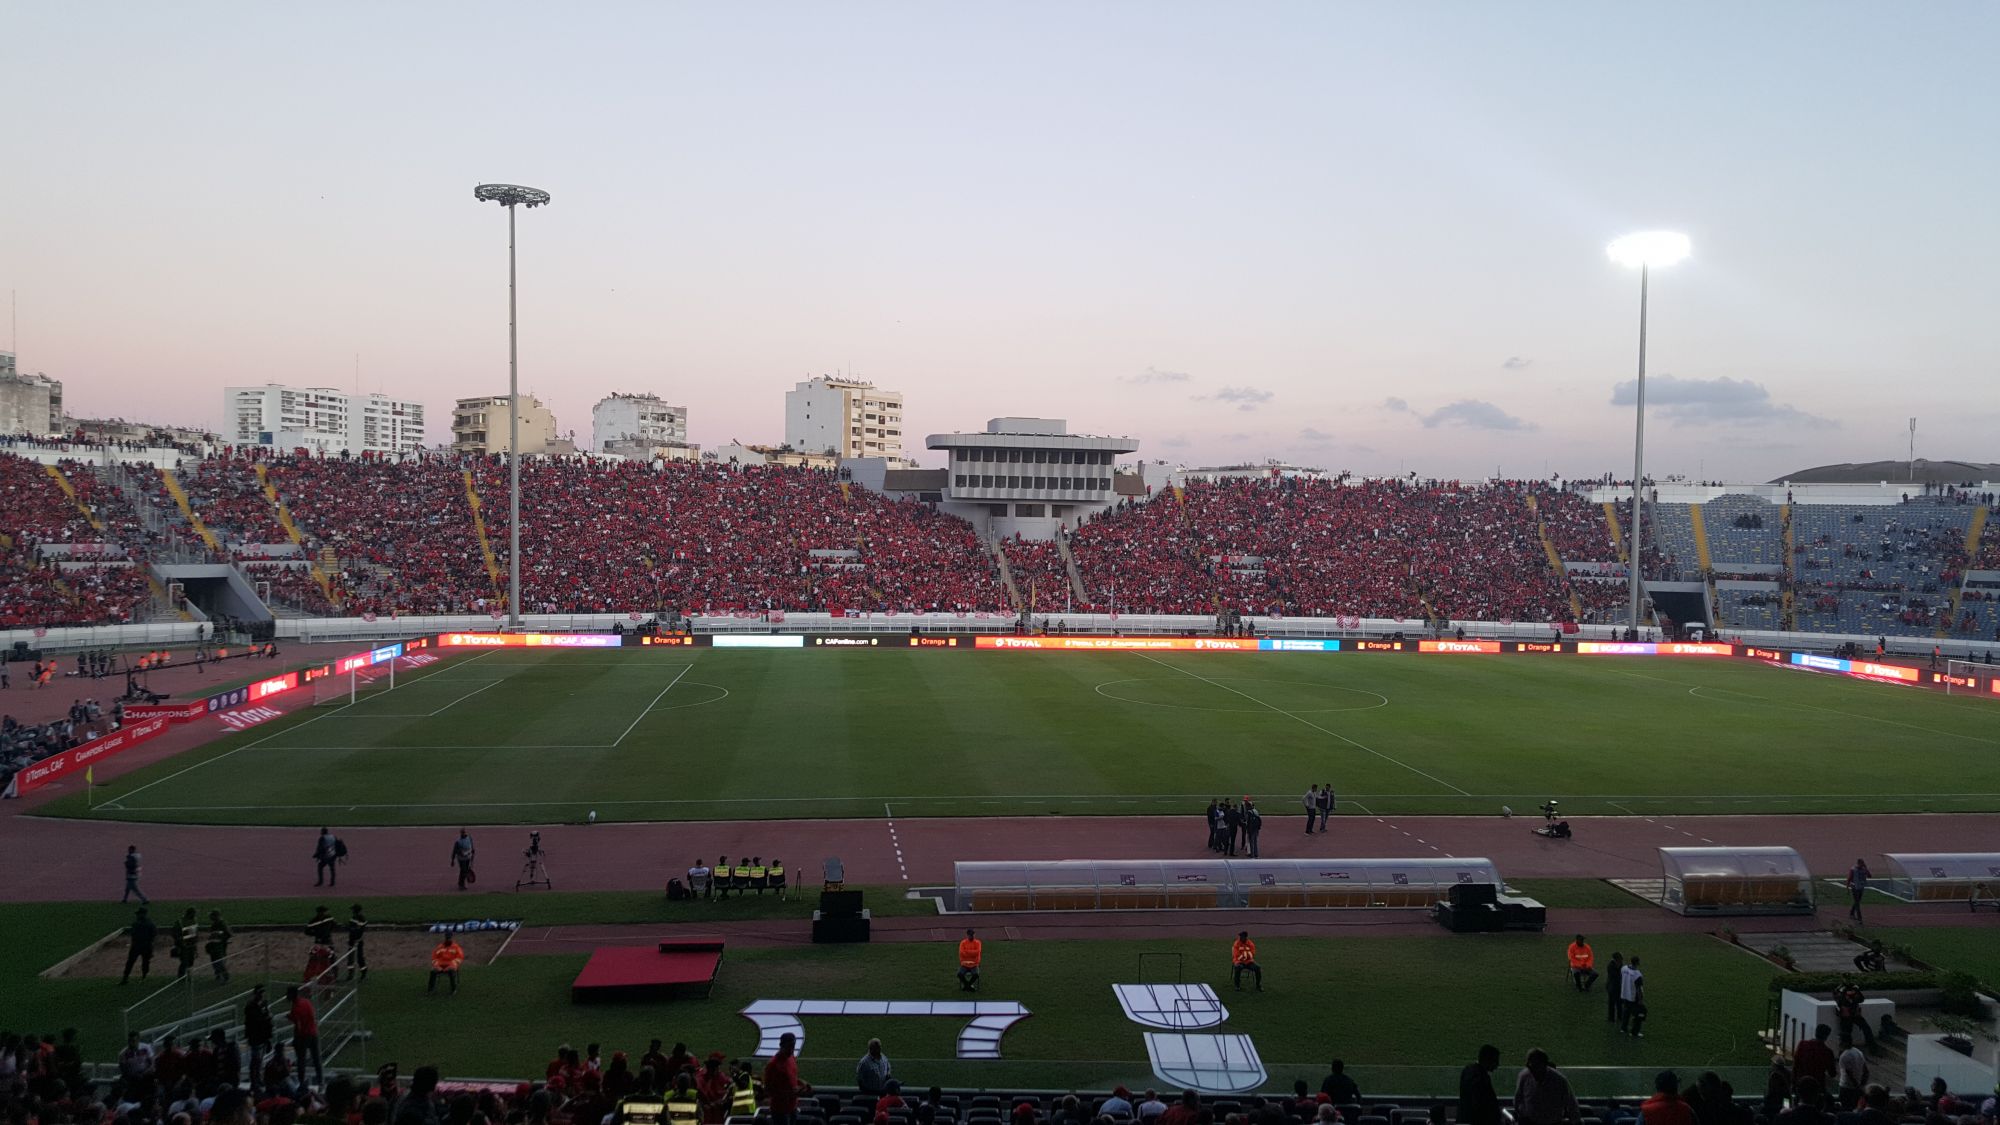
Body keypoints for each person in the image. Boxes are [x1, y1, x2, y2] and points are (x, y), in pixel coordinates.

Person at [1513, 1049, 1581, 1125]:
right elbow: (1518, 1099)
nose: (1531, 1071)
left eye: (1534, 1066)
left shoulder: (1559, 1080)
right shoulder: (1524, 1076)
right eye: (1529, 1067)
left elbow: (1571, 1104)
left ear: (1544, 1064)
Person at [762, 1032, 809, 1125]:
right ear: (781, 1045)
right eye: (789, 1046)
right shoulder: (773, 1065)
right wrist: (788, 1093)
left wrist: (802, 1083)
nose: (792, 1050)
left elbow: (791, 1076)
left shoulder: (791, 1058)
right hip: (780, 1110)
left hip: (792, 1107)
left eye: (793, 1046)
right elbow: (767, 1090)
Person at [286, 984, 322, 1088]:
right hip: (313, 1033)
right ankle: (320, 1081)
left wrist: (290, 1018)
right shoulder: (306, 1002)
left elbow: (298, 1025)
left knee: (301, 1061)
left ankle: (301, 1082)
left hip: (303, 1036)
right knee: (316, 1059)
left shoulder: (296, 1007)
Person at [1458, 1045, 1503, 1125]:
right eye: (1495, 1061)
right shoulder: (1481, 1076)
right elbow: (1481, 1105)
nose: (1497, 1065)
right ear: (1487, 1060)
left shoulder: (1468, 1070)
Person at [1790, 1025, 1837, 1098]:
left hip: (1801, 1085)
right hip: (1817, 1089)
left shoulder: (1802, 1044)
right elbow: (1832, 1073)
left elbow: (1795, 1065)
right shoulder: (1828, 1052)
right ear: (1826, 1036)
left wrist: (1793, 1083)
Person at [244, 985, 274, 1093]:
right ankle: (254, 1081)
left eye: (262, 992)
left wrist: (268, 1037)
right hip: (255, 1036)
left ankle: (258, 1079)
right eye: (259, 993)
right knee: (255, 1060)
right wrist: (266, 1017)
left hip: (263, 1036)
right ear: (255, 993)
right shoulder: (251, 1006)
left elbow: (268, 1020)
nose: (261, 995)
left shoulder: (264, 1004)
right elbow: (257, 1020)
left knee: (260, 1060)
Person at [1833, 983, 1876, 1051]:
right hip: (1845, 1015)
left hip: (1855, 1014)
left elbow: (1861, 999)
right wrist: (1848, 997)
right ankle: (1845, 1050)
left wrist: (1853, 997)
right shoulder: (1840, 988)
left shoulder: (1855, 988)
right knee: (1846, 1033)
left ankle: (1872, 1046)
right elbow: (1838, 999)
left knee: (1866, 1028)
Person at [121, 906, 158, 983]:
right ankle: (142, 977)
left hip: (138, 945)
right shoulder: (150, 923)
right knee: (144, 962)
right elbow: (154, 935)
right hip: (144, 945)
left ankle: (126, 978)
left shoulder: (136, 923)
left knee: (133, 962)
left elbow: (133, 934)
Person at [694, 1053, 733, 1125]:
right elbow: (699, 1092)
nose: (716, 1070)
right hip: (705, 1112)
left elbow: (728, 1088)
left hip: (718, 1112)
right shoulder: (701, 1078)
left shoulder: (721, 1076)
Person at [1836, 1043, 1868, 1109]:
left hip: (1845, 1087)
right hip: (1856, 1088)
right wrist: (1861, 1085)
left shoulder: (1844, 1056)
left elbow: (1849, 1074)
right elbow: (1866, 1071)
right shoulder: (1859, 1052)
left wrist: (1857, 1086)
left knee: (1845, 1107)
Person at [1621, 955, 1646, 1038]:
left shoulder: (1624, 968)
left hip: (1625, 995)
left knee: (1626, 1012)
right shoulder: (1637, 975)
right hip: (1633, 997)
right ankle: (1634, 1032)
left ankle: (1623, 1028)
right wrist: (1641, 999)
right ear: (1638, 963)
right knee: (1638, 1014)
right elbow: (1639, 989)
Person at [205, 909, 232, 982]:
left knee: (219, 962)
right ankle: (218, 975)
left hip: (219, 946)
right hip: (214, 946)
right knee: (214, 961)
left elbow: (228, 934)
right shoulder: (214, 924)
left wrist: (221, 940)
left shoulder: (221, 924)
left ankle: (225, 976)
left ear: (215, 916)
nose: (210, 917)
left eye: (211, 915)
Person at [174, 907, 200, 978]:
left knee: (190, 961)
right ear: (190, 914)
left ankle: (187, 976)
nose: (195, 915)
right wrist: (180, 943)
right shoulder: (180, 922)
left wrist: (195, 947)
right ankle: (181, 977)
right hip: (184, 946)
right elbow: (175, 934)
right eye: (194, 913)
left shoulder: (193, 921)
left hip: (190, 945)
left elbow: (195, 934)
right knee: (184, 962)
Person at [347, 904, 369, 980]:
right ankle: (351, 974)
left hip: (357, 941)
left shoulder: (361, 919)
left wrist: (352, 930)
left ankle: (363, 973)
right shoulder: (354, 918)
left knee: (359, 958)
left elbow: (358, 930)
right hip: (352, 940)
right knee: (350, 958)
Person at [1605, 952, 1625, 1023]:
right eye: (1620, 959)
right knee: (1612, 1003)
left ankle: (1620, 1017)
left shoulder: (1620, 965)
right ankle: (1611, 1018)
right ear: (1616, 959)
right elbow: (1616, 976)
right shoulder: (1610, 966)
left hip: (1618, 987)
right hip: (1612, 987)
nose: (1621, 961)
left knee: (1619, 1003)